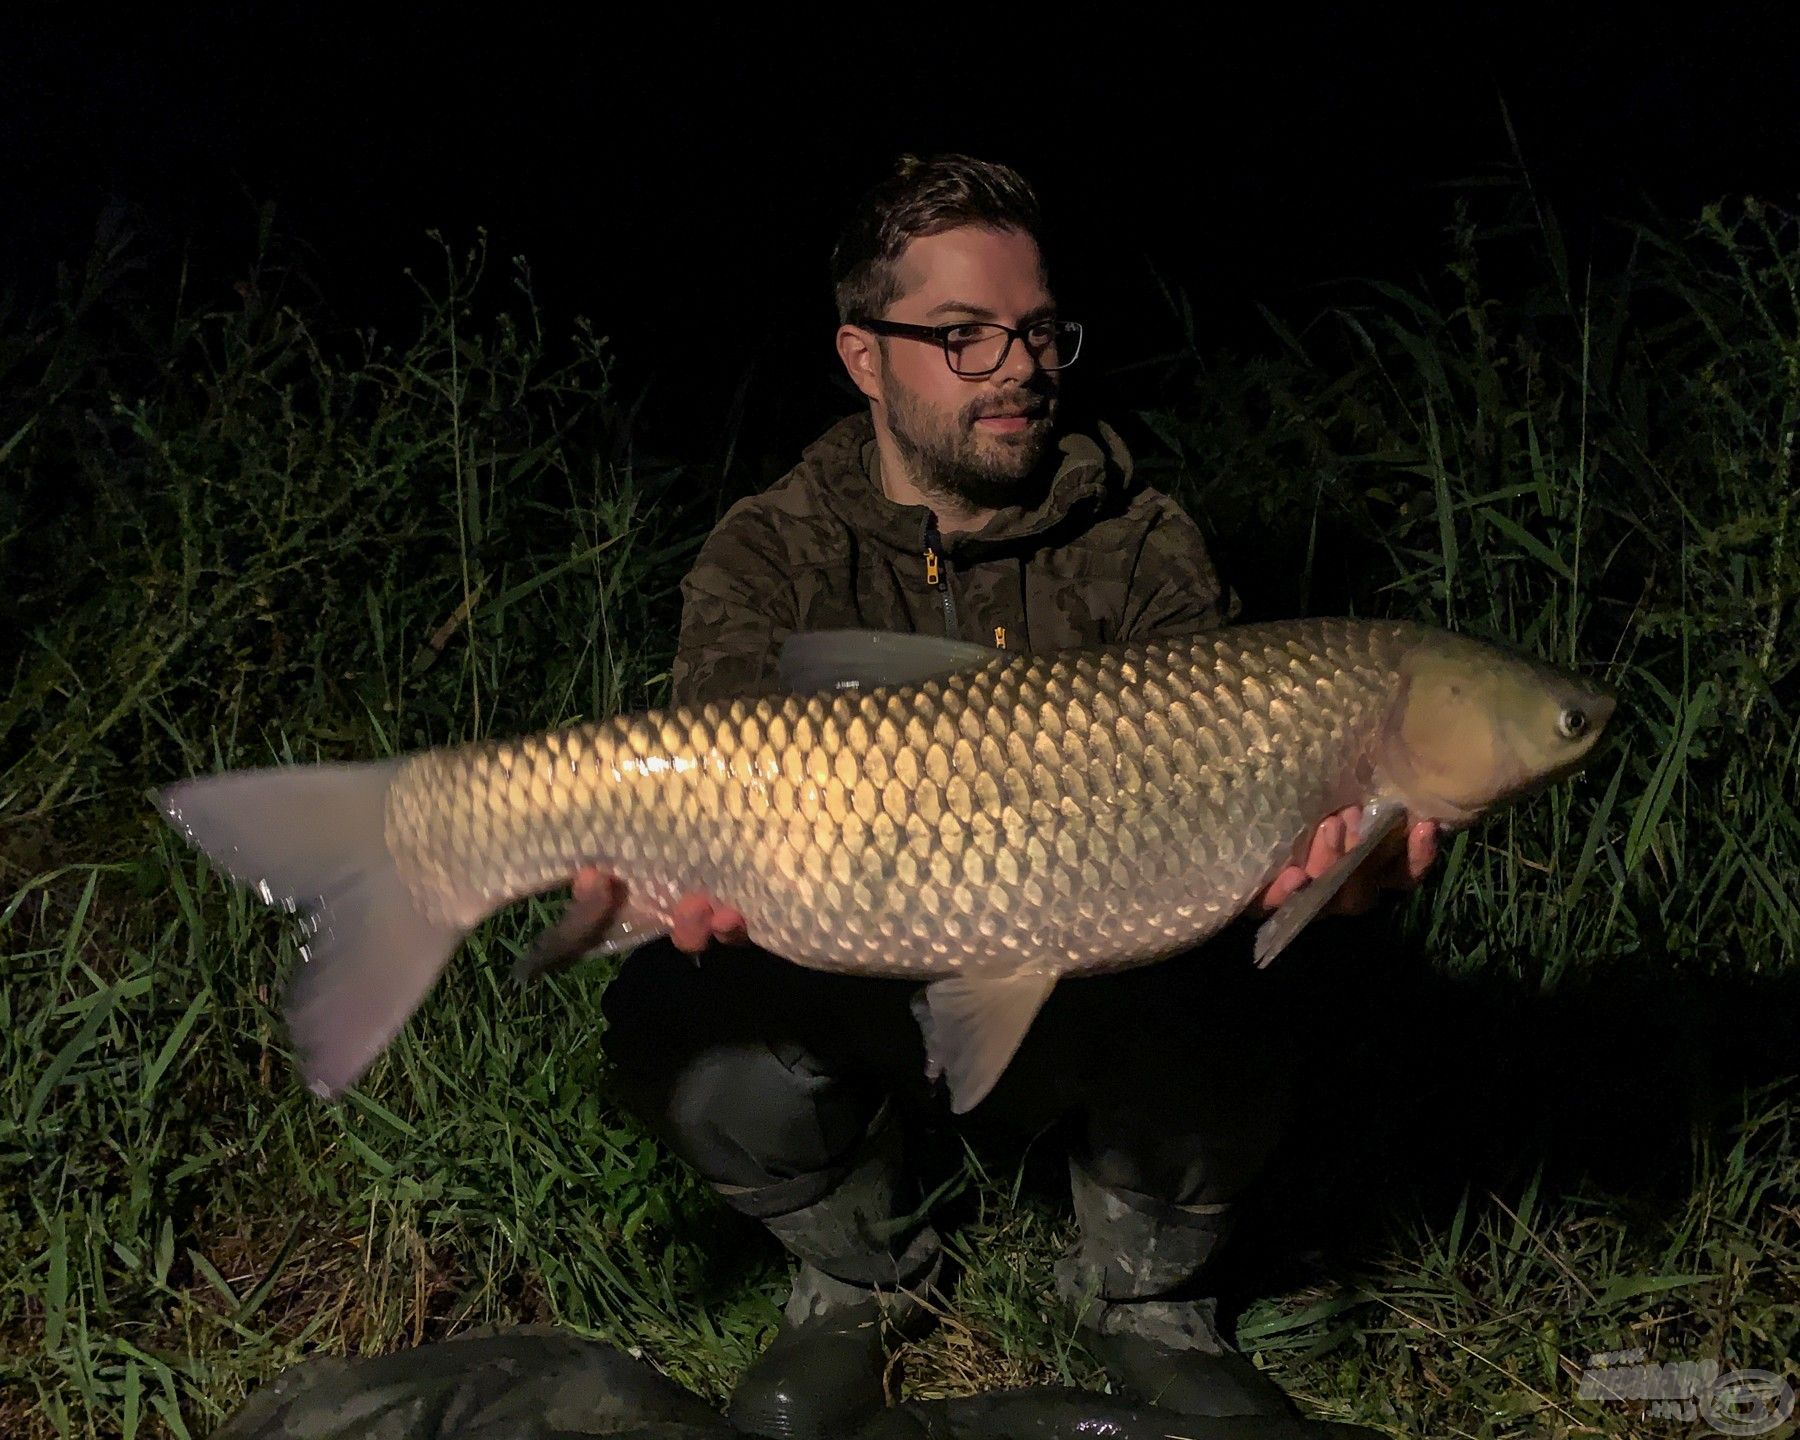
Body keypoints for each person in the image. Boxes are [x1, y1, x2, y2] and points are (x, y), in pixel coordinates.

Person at [579, 154, 1438, 1440]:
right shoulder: (772, 550)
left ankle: (1147, 1298)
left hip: (1100, 975)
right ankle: (858, 1276)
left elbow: (1247, 821)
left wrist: (1335, 871)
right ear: (864, 358)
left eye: (1037, 331)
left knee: (1269, 982)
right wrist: (664, 886)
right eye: (964, 337)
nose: (1022, 367)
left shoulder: (1141, 543)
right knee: (675, 1019)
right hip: (846, 968)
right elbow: (712, 776)